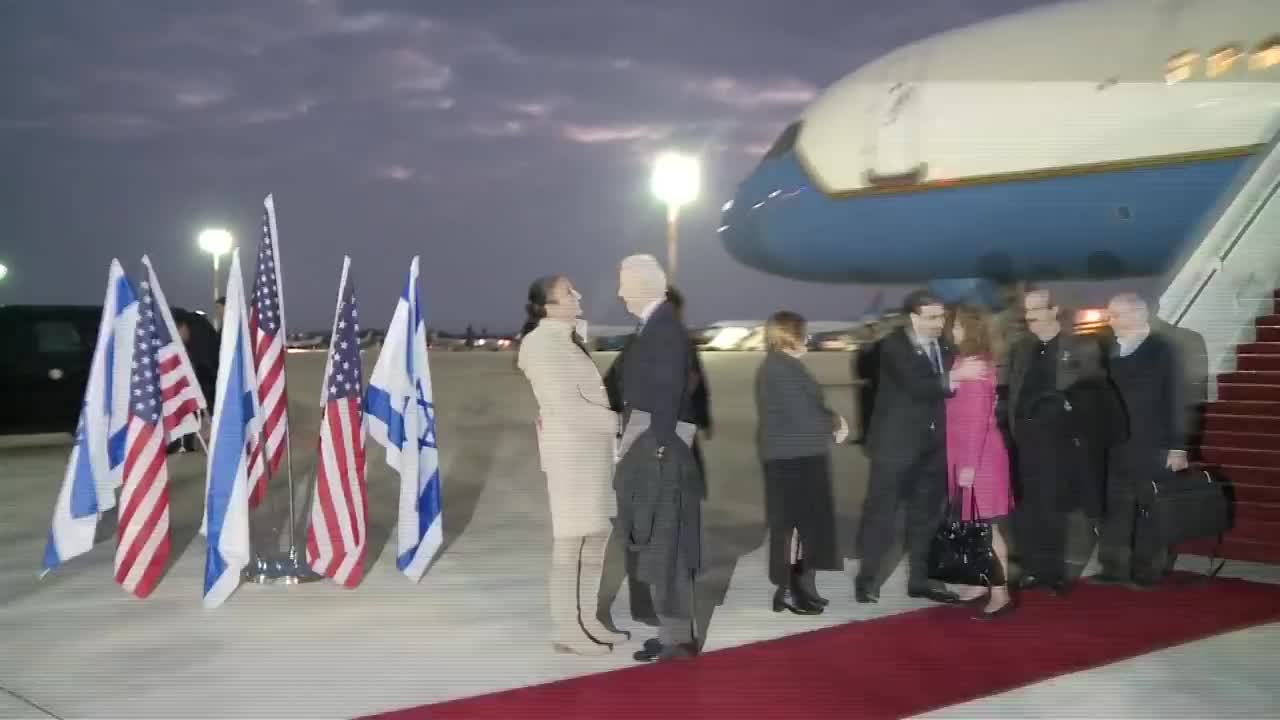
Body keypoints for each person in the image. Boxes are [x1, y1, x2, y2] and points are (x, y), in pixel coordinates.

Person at [516, 274, 629, 656]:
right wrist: (618, 423)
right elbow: (565, 406)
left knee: (595, 537)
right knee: (571, 542)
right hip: (570, 456)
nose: (577, 295)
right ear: (547, 305)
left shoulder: (568, 339)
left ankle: (587, 618)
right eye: (568, 292)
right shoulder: (540, 344)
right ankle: (568, 627)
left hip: (593, 451)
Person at [855, 289, 982, 605]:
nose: (940, 323)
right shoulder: (893, 346)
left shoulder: (944, 346)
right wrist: (955, 377)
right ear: (913, 317)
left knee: (926, 516)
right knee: (881, 515)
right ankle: (867, 579)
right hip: (895, 448)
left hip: (934, 447)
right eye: (932, 317)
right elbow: (916, 386)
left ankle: (921, 580)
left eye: (942, 316)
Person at [612, 254, 704, 663]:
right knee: (658, 543)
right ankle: (672, 633)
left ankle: (678, 639)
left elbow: (668, 388)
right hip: (651, 437)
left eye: (624, 283)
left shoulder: (663, 327)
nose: (618, 292)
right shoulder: (654, 324)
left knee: (665, 543)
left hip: (656, 442)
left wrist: (661, 443)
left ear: (648, 284)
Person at [1007, 287, 1111, 596]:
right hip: (1024, 436)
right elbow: (1014, 389)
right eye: (1027, 314)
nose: (1031, 320)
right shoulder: (1022, 348)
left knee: (1053, 506)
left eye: (1036, 312)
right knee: (1027, 506)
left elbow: (1096, 390)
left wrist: (1069, 405)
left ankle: (1052, 574)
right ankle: (1032, 568)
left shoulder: (1081, 346)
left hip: (1059, 438)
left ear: (1054, 311)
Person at [1091, 292, 1191, 587]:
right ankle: (1113, 567)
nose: (1109, 321)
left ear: (1138, 315)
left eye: (1115, 315)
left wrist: (1178, 445)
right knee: (1114, 507)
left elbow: (1177, 398)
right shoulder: (1106, 347)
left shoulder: (1164, 349)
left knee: (1152, 509)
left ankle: (1149, 570)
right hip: (1113, 444)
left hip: (1153, 443)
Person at [755, 311, 846, 615]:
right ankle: (790, 590)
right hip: (791, 461)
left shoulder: (787, 366)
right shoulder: (779, 369)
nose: (807, 339)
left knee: (808, 525)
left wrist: (831, 419)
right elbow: (804, 415)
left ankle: (804, 586)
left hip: (802, 456)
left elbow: (810, 408)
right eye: (802, 333)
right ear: (787, 335)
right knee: (794, 527)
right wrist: (834, 424)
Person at [943, 305, 1015, 617]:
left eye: (957, 326)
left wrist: (969, 466)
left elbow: (975, 420)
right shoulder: (965, 363)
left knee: (985, 529)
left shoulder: (975, 365)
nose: (952, 331)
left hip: (979, 458)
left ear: (970, 329)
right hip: (968, 455)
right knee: (973, 526)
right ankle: (979, 582)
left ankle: (1000, 593)